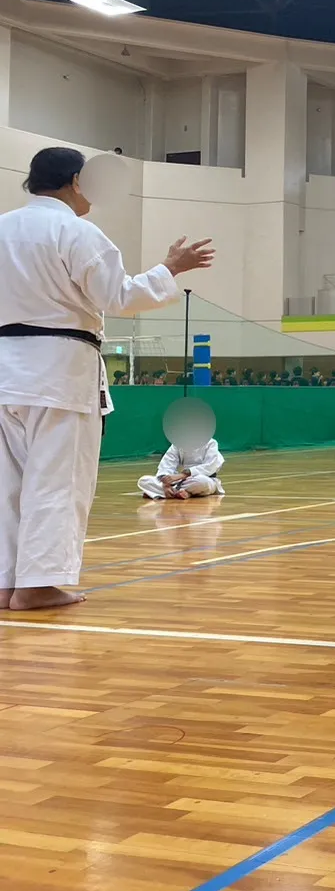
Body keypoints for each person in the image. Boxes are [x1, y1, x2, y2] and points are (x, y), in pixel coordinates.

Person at [0, 147, 213, 610]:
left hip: (4, 369)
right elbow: (118, 296)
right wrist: (169, 268)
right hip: (58, 371)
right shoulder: (75, 231)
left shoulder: (1, 227)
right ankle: (37, 584)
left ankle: (6, 581)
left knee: (7, 483)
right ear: (76, 181)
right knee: (57, 480)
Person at [138, 434, 227, 499]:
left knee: (202, 482)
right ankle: (177, 492)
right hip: (181, 481)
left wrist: (183, 475)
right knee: (143, 480)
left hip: (204, 479)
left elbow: (210, 466)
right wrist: (166, 484)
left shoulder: (210, 443)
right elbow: (167, 464)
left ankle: (159, 493)